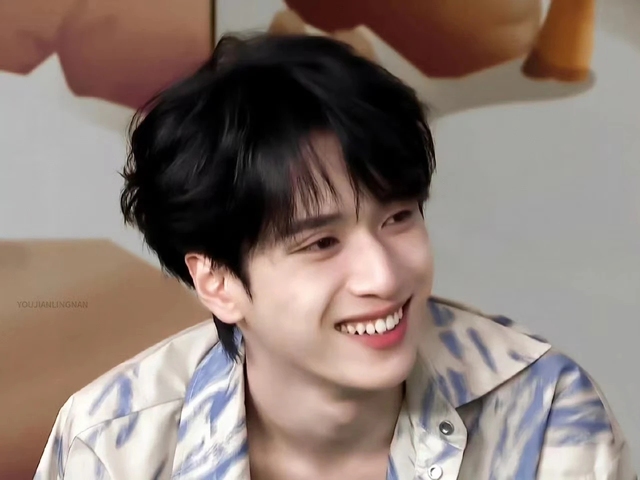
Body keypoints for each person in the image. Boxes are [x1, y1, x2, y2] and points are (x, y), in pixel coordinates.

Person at [34, 33, 635, 480]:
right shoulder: (111, 446)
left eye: (398, 218)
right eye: (321, 243)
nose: (384, 277)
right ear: (217, 281)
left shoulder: (543, 411)